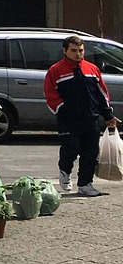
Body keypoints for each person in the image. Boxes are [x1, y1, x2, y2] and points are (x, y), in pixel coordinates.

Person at [44, 35, 119, 196]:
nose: (78, 54)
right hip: (68, 120)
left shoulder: (92, 69)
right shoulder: (55, 70)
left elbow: (101, 94)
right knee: (70, 149)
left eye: (81, 50)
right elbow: (50, 95)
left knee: (90, 153)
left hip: (91, 118)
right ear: (65, 51)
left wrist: (108, 115)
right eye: (74, 50)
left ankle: (85, 184)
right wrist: (63, 109)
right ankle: (64, 171)